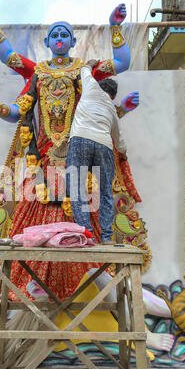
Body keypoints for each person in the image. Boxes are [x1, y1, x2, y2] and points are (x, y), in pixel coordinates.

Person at [0, 0, 140, 301]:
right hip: (45, 160)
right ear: (48, 41)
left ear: (72, 41)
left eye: (65, 34)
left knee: (87, 212)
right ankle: (33, 292)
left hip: (80, 155)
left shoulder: (83, 70)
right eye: (55, 34)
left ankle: (87, 293)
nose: (60, 38)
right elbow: (11, 69)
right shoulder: (38, 71)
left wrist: (115, 28)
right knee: (34, 211)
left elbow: (122, 63)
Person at [67, 63, 133, 244]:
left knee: (76, 187)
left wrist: (91, 64)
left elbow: (84, 70)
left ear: (100, 85)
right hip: (104, 145)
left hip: (80, 139)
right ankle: (105, 236)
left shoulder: (90, 86)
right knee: (105, 191)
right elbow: (118, 139)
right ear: (112, 96)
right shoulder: (111, 108)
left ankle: (86, 234)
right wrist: (123, 153)